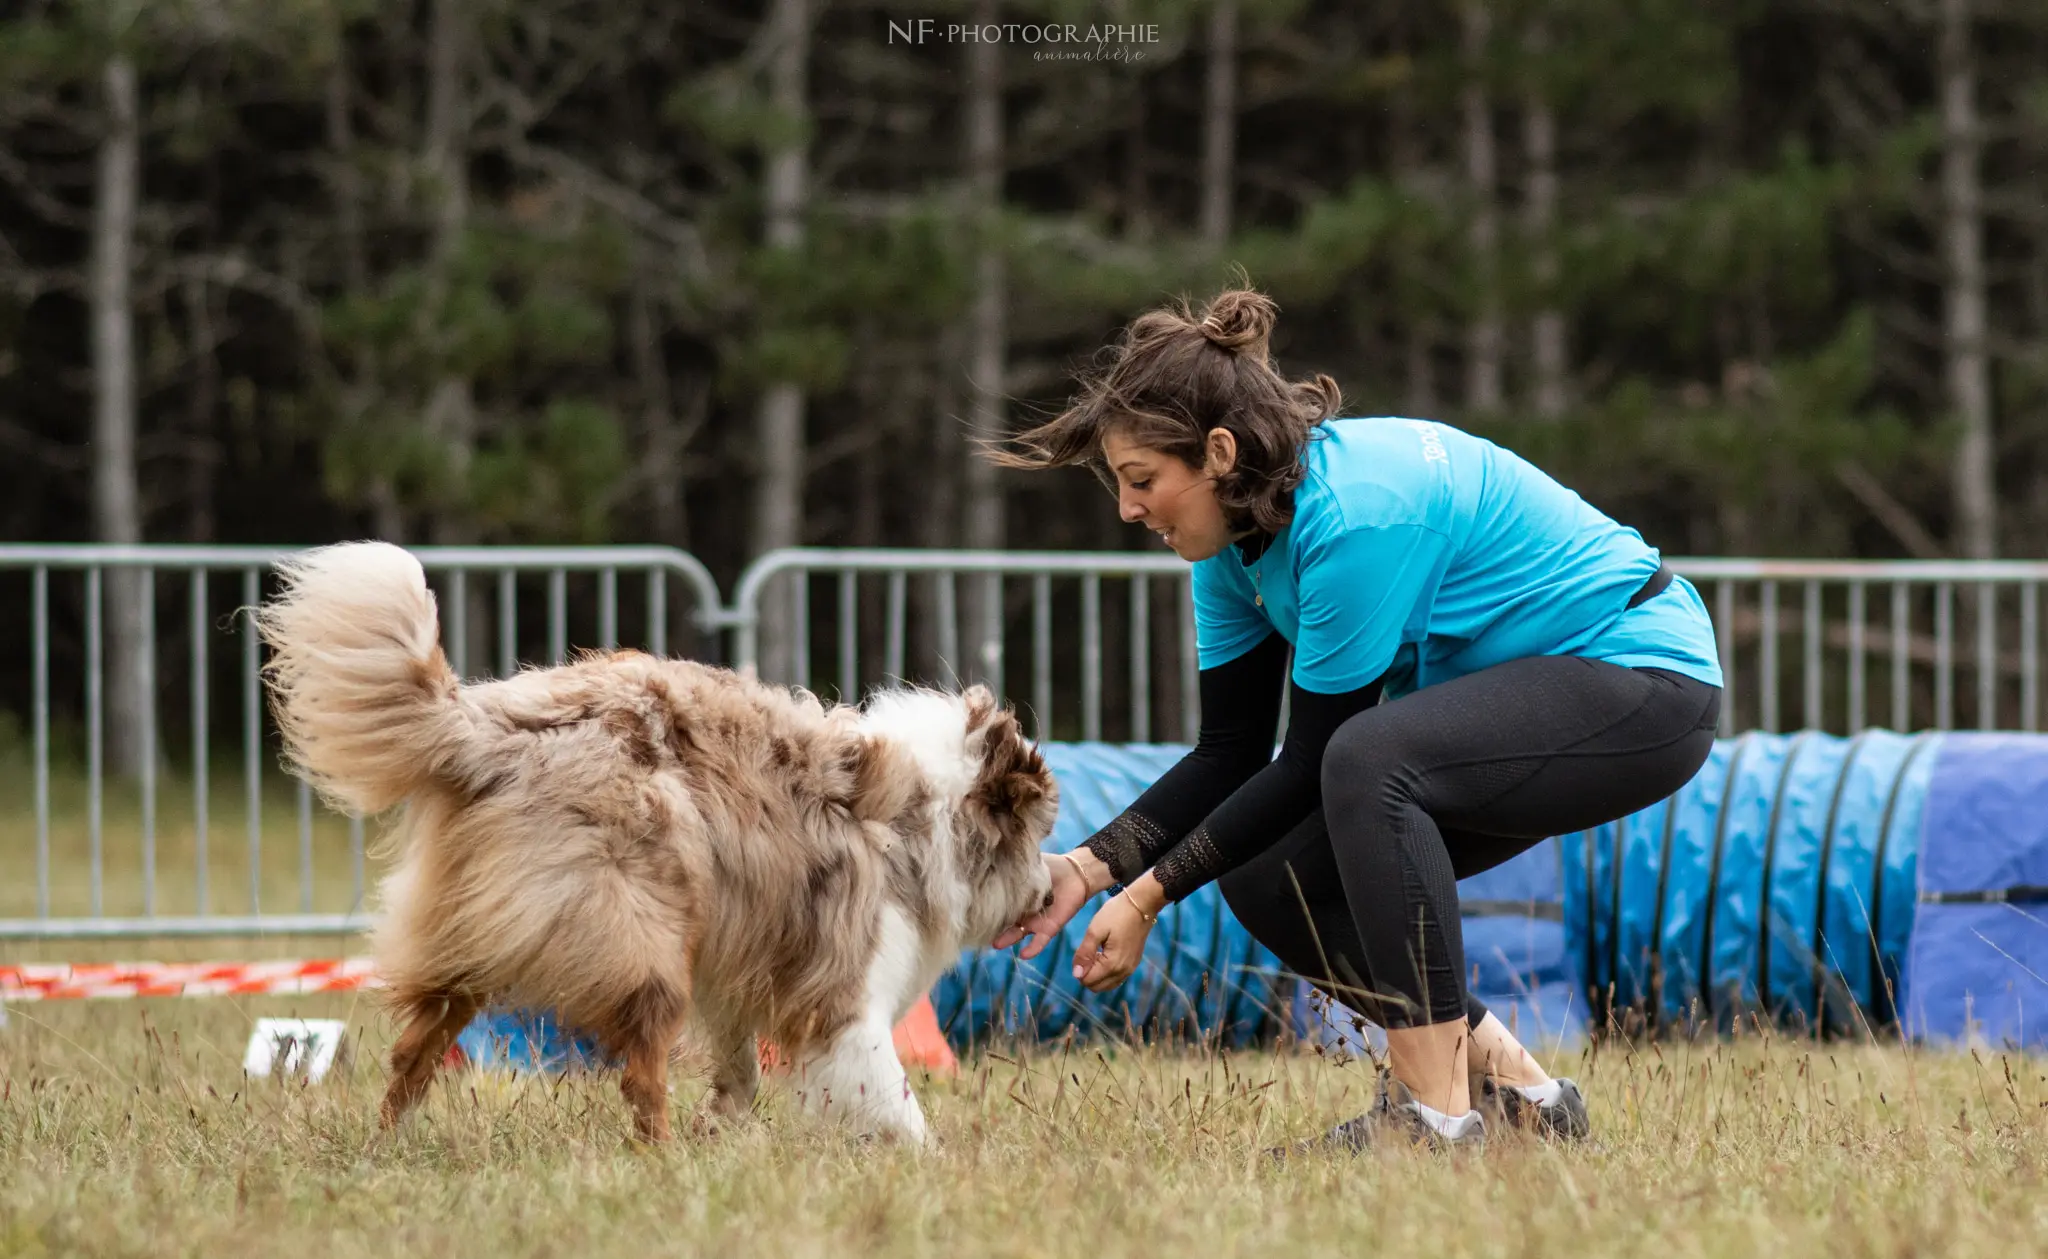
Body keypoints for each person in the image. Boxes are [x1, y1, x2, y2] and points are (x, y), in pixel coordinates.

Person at [988, 287, 1722, 1151]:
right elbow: (1229, 753)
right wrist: (1088, 863)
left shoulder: (1355, 516)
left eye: (1142, 480)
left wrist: (1148, 894)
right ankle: (1529, 1098)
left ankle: (1435, 1118)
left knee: (1369, 760)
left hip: (1645, 676)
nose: (1128, 509)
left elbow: (1313, 760)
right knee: (1269, 876)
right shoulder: (1231, 551)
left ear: (1219, 453)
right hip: (1555, 690)